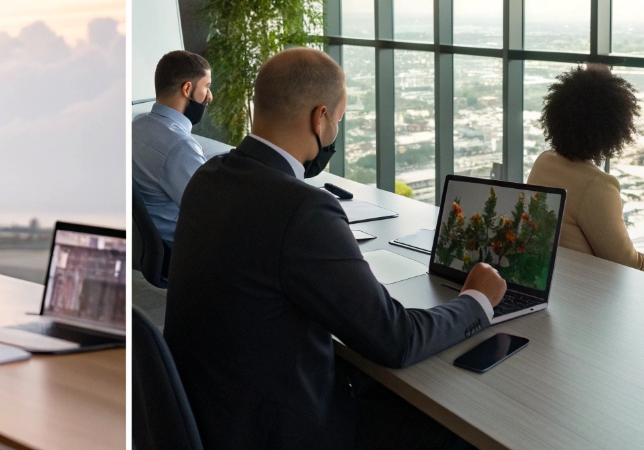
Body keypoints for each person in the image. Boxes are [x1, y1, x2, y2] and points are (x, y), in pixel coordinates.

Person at [163, 48, 506, 450]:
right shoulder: (302, 208)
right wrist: (477, 300)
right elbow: (396, 340)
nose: (335, 132)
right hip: (284, 432)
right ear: (320, 117)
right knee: (457, 432)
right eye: (338, 120)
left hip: (212, 416)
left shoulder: (208, 177)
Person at [527, 64, 643, 269]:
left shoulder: (543, 162)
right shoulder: (598, 186)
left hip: (553, 282)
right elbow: (626, 264)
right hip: (586, 293)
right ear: (612, 129)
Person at [132, 50, 212, 247]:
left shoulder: (137, 125)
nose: (209, 96)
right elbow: (212, 213)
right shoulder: (180, 147)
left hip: (147, 244)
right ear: (187, 89)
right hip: (183, 251)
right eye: (206, 87)